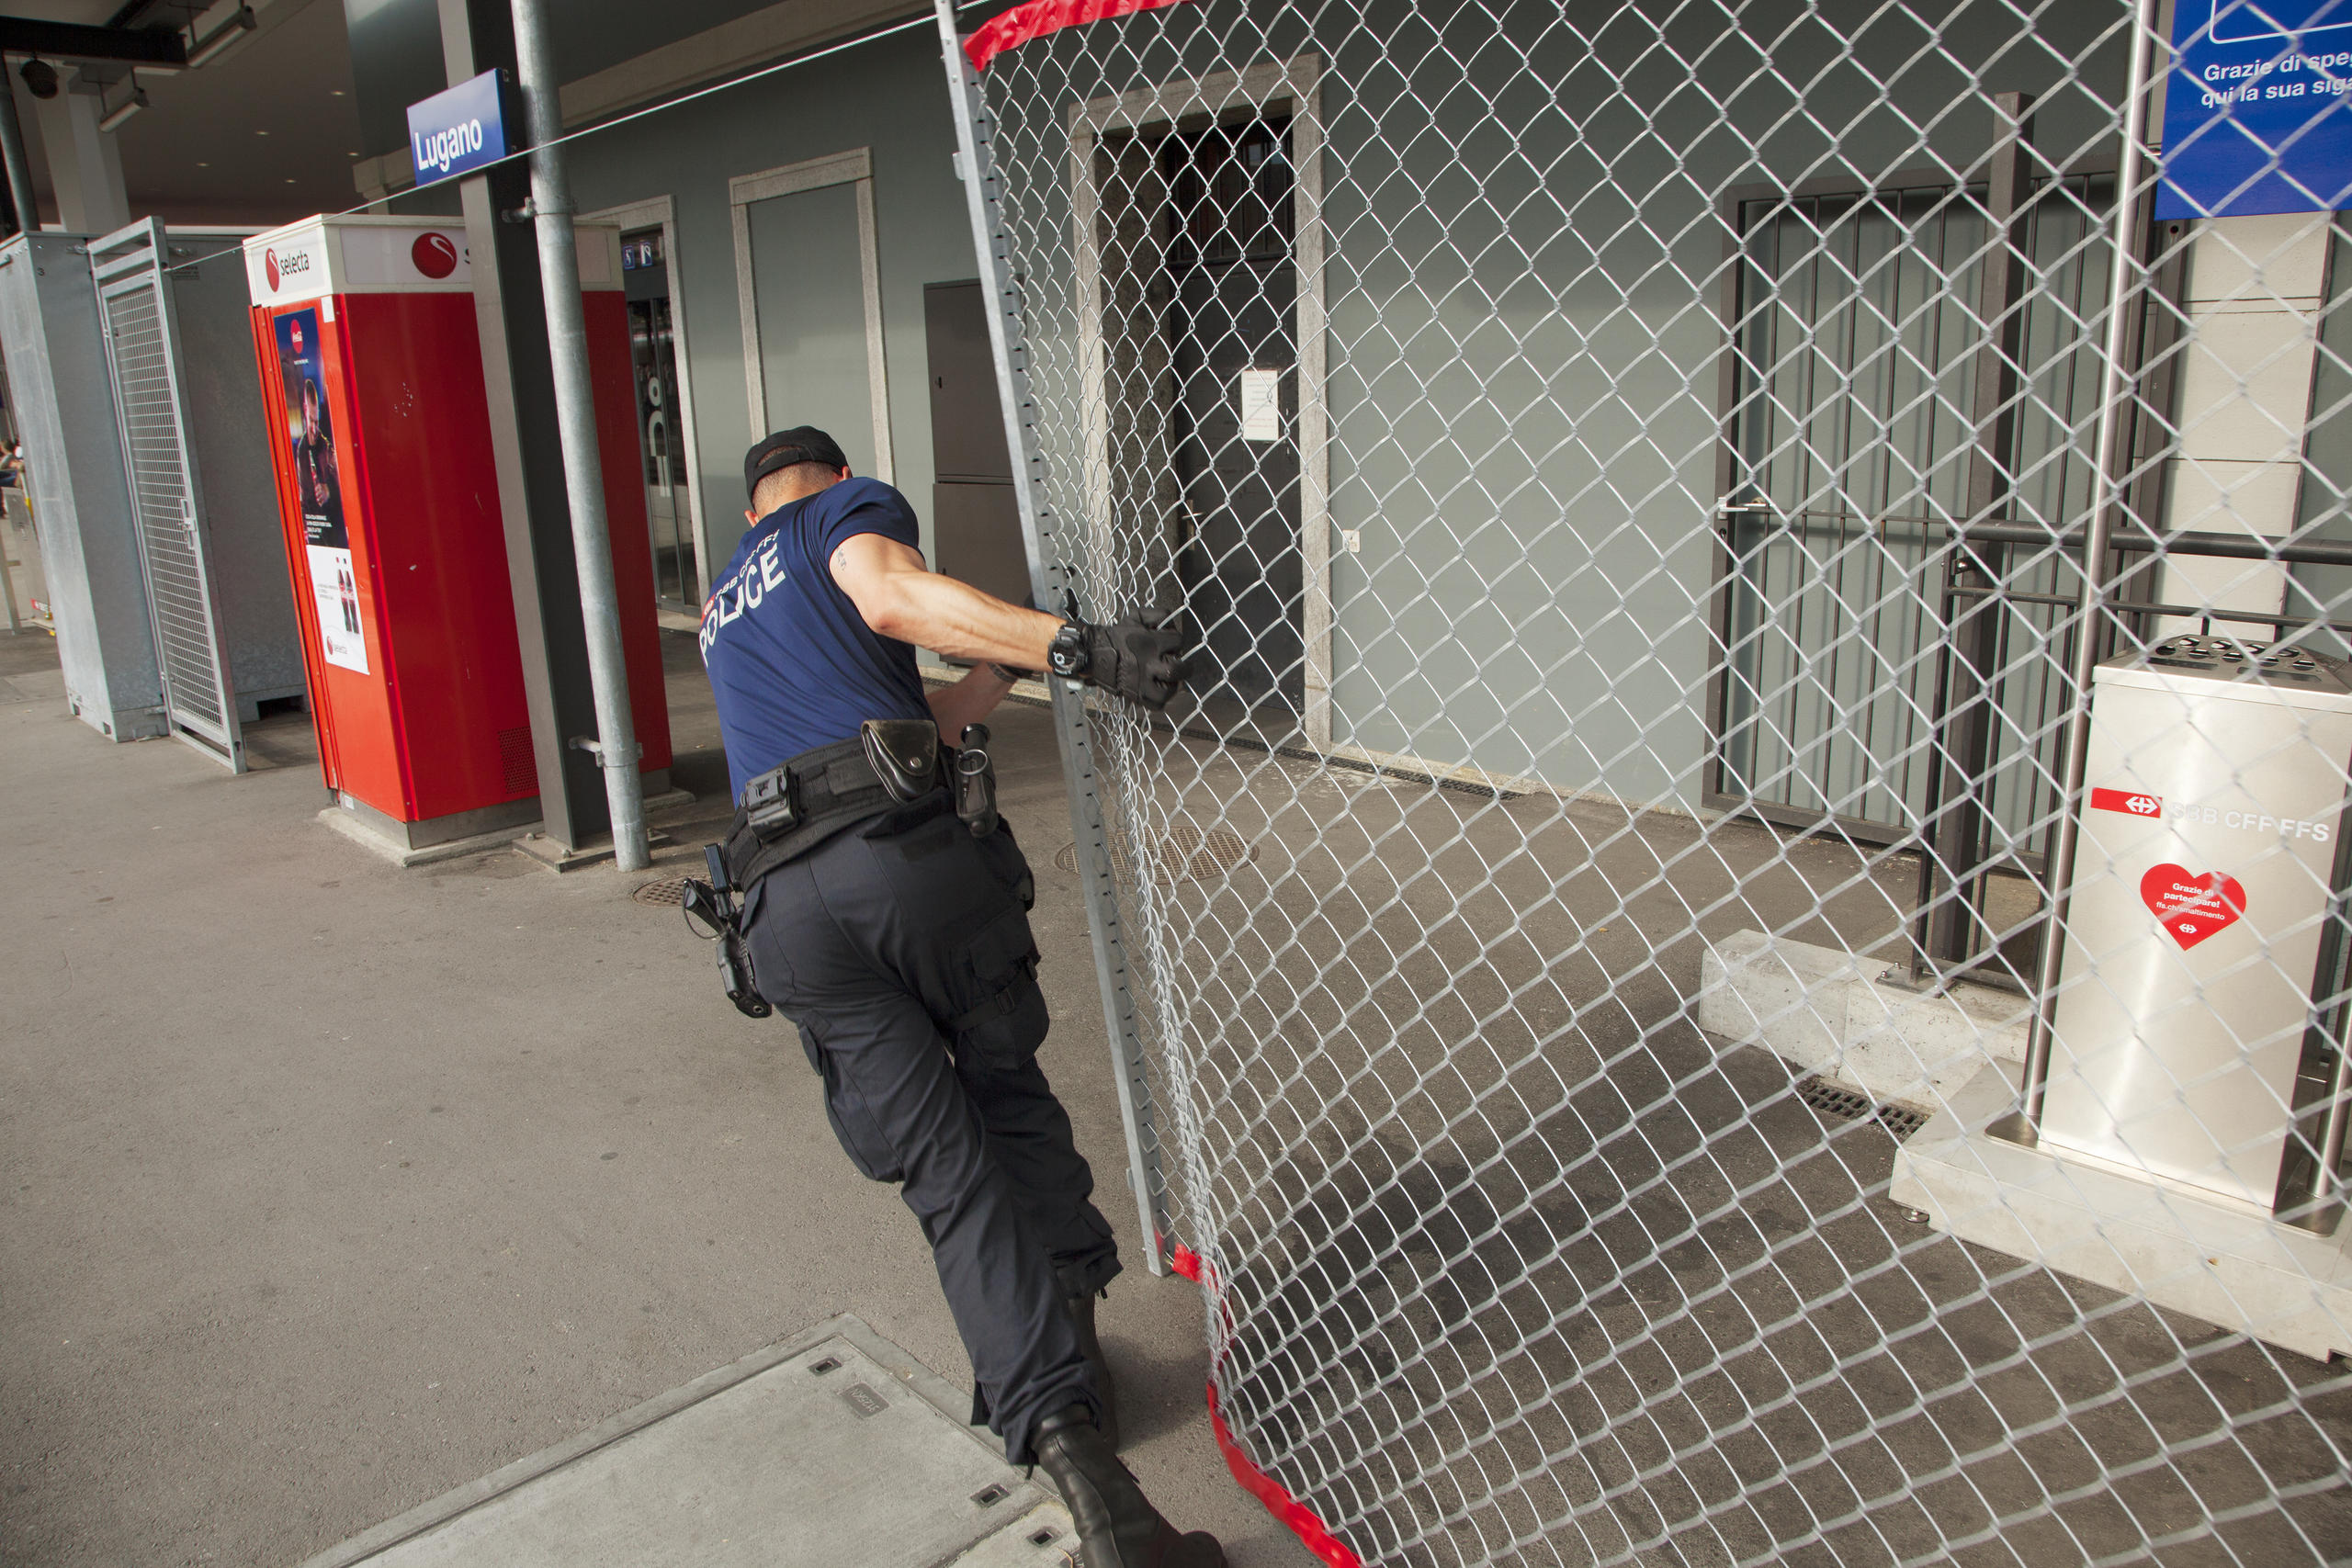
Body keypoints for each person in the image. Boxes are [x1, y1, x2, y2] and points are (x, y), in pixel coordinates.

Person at [701, 427, 1220, 1568]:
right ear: (834, 484)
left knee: (946, 1182)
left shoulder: (723, 596)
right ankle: (1078, 1339)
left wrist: (997, 673)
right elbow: (892, 601)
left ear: (747, 511)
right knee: (1007, 1091)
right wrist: (1074, 646)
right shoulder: (839, 515)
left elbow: (899, 724)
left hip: (785, 915)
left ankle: (1089, 1477)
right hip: (905, 873)